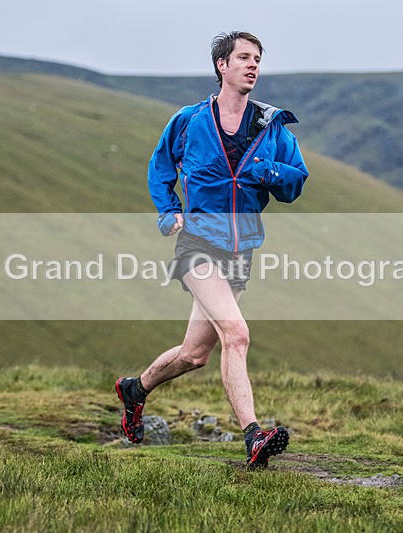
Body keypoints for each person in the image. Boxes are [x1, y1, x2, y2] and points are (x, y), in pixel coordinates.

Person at [115, 31, 308, 468]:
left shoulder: (271, 126)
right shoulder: (189, 120)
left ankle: (135, 389)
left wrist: (267, 169)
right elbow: (160, 167)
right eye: (244, 57)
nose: (253, 65)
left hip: (240, 249)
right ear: (222, 65)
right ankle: (253, 436)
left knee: (194, 354)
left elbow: (297, 181)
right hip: (197, 243)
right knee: (236, 335)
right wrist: (169, 212)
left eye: (257, 58)